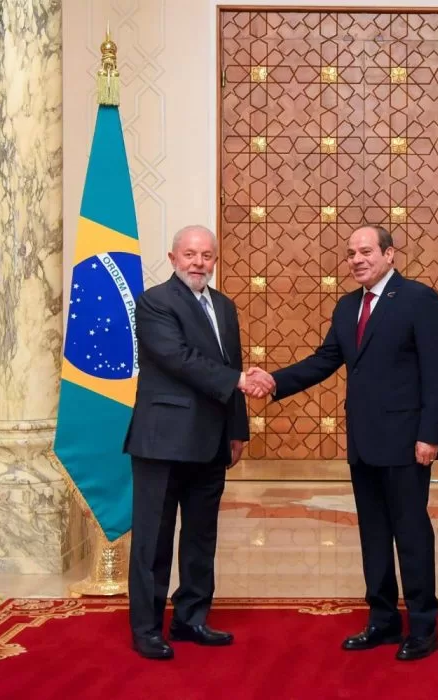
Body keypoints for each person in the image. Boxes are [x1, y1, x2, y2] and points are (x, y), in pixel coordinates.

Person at [248, 225, 438, 661]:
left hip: (407, 442)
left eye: (366, 251)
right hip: (363, 441)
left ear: (389, 254)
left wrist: (430, 435)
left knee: (411, 533)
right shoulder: (347, 307)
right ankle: (382, 620)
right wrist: (274, 381)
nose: (357, 259)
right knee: (373, 534)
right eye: (351, 253)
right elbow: (325, 360)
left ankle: (423, 627)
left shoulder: (419, 299)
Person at [124, 225, 262, 660]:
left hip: (211, 441)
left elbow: (231, 363)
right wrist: (239, 380)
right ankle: (147, 628)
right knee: (153, 540)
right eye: (190, 254)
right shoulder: (154, 302)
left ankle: (191, 618)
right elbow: (178, 359)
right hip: (162, 441)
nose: (198, 263)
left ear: (215, 260)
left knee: (201, 536)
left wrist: (238, 429)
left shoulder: (224, 306)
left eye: (206, 256)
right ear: (173, 258)